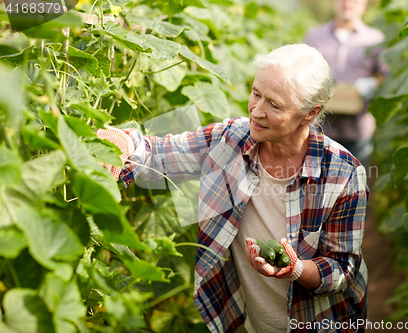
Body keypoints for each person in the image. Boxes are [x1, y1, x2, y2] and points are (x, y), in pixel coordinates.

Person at [97, 44, 369, 333]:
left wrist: (296, 269)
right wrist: (123, 141)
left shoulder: (344, 173)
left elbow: (342, 270)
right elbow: (157, 153)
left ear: (309, 113)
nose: (257, 111)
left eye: (274, 105)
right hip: (247, 320)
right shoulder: (230, 140)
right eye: (256, 94)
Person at [304, 0, 389, 168]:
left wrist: (372, 83)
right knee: (317, 186)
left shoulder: (375, 38)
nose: (347, 3)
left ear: (364, 5)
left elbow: (384, 74)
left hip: (358, 130)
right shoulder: (314, 35)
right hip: (320, 129)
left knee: (355, 187)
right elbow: (304, 70)